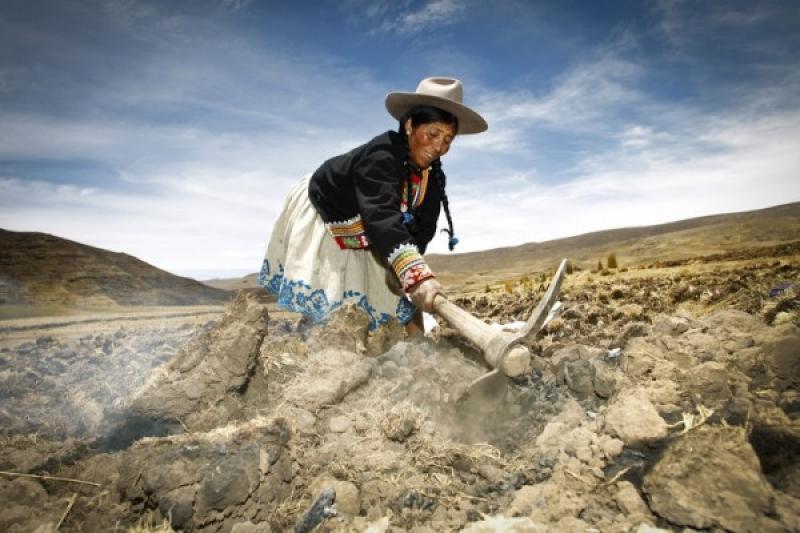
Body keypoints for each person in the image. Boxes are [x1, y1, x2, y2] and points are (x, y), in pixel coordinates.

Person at [258, 77, 488, 332]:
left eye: (448, 140)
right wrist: (415, 274)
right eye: (433, 134)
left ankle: (408, 338)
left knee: (393, 292)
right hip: (333, 209)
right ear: (410, 125)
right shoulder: (381, 156)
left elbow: (423, 226)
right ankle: (325, 340)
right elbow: (381, 215)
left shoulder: (433, 176)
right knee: (336, 302)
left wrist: (409, 272)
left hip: (376, 226)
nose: (439, 147)